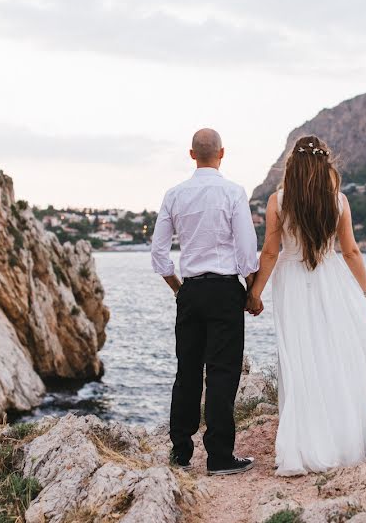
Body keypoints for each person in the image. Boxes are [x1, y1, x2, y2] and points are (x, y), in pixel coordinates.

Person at [246, 135, 366, 476]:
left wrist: (255, 293)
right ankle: (343, 438)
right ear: (325, 164)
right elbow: (351, 251)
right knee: (334, 356)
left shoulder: (277, 201)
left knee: (300, 360)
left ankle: (304, 442)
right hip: (331, 279)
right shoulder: (338, 201)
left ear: (292, 166)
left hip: (293, 283)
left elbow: (269, 252)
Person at [150, 128, 259, 476]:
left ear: (192, 154)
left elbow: (158, 253)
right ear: (222, 153)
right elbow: (246, 250)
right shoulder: (233, 192)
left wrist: (178, 289)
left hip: (191, 290)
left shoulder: (174, 194)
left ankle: (181, 453)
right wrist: (251, 291)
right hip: (226, 290)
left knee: (187, 371)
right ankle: (219, 457)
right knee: (223, 372)